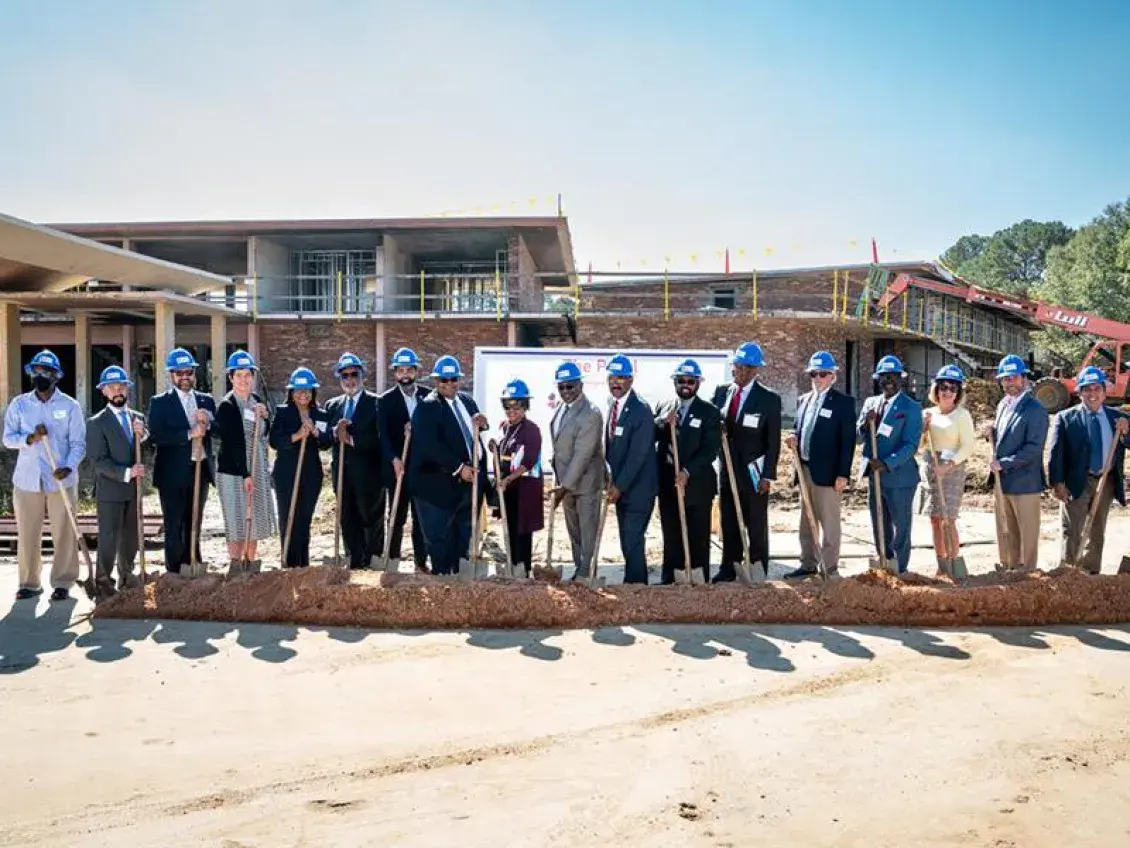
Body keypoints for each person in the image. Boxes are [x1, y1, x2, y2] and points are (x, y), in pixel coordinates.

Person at [2, 349, 86, 601]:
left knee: (64, 531)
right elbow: (7, 439)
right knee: (28, 532)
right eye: (37, 371)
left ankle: (63, 581)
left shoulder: (70, 406)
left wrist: (69, 466)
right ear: (31, 374)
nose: (41, 376)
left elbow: (78, 443)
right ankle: (29, 583)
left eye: (47, 372)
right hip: (27, 480)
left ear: (56, 376)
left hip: (61, 479)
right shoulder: (19, 405)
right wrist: (29, 438)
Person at [408, 354, 490, 576]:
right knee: (439, 538)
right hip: (436, 486)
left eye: (453, 379)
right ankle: (442, 581)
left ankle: (459, 582)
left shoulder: (467, 401)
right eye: (443, 380)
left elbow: (471, 433)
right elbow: (429, 445)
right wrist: (458, 468)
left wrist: (483, 424)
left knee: (463, 534)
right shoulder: (428, 407)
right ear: (436, 381)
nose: (449, 384)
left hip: (466, 486)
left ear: (459, 380)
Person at [1048, 365, 1130, 573]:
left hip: (1106, 481)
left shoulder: (1117, 418)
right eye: (1087, 389)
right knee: (1072, 530)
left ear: (1104, 391)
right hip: (1076, 481)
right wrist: (1057, 483)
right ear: (1079, 392)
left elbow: (1128, 442)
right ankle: (1068, 573)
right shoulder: (1066, 418)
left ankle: (1091, 573)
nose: (1092, 394)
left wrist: (1126, 431)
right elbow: (1055, 453)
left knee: (1096, 530)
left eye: (1096, 389)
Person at [712, 341, 781, 582]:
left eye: (743, 368)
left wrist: (767, 475)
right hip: (727, 469)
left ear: (754, 371)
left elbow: (773, 441)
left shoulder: (769, 399)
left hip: (754, 471)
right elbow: (712, 424)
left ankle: (757, 565)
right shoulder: (722, 392)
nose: (737, 372)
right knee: (729, 519)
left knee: (756, 522)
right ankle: (729, 566)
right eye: (736, 367)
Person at [784, 351, 855, 579]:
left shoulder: (843, 403)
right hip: (804, 469)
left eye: (823, 374)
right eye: (814, 373)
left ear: (833, 376)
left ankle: (829, 567)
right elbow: (798, 427)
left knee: (829, 522)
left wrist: (843, 473)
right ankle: (807, 564)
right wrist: (793, 437)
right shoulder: (804, 400)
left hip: (828, 473)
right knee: (806, 521)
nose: (818, 378)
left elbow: (848, 442)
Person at [146, 347, 215, 575]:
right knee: (174, 523)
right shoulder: (160, 402)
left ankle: (192, 562)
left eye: (189, 373)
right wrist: (188, 434)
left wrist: (208, 423)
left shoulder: (205, 400)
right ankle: (175, 571)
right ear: (171, 375)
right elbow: (155, 436)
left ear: (195, 373)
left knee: (194, 519)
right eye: (179, 373)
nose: (185, 377)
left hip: (199, 470)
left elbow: (216, 430)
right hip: (172, 474)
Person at [653, 358, 720, 584]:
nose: (686, 385)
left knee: (698, 535)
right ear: (675, 382)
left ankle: (698, 579)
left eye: (691, 381)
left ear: (698, 384)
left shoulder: (709, 412)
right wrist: (662, 423)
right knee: (671, 535)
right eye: (681, 380)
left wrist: (687, 471)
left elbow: (710, 449)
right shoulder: (664, 407)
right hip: (668, 484)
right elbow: (651, 436)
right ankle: (670, 578)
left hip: (697, 485)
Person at [86, 365, 148, 597]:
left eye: (121, 386)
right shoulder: (96, 423)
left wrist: (144, 434)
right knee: (109, 538)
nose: (117, 391)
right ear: (104, 391)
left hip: (134, 491)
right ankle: (103, 583)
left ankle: (127, 576)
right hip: (110, 490)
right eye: (112, 387)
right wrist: (127, 472)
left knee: (131, 536)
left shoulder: (137, 418)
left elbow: (142, 447)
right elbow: (98, 461)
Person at [857, 355, 922, 574]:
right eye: (884, 377)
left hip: (900, 477)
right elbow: (858, 436)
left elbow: (911, 444)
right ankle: (884, 560)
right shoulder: (870, 404)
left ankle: (900, 567)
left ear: (901, 379)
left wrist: (887, 463)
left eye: (893, 377)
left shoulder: (911, 407)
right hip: (875, 476)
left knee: (900, 525)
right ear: (878, 380)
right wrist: (866, 423)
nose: (888, 381)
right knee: (879, 522)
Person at [983, 354, 1048, 571]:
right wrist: (993, 431)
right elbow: (1007, 436)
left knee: (1027, 533)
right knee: (1007, 529)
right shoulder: (1003, 405)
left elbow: (1034, 448)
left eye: (1013, 378)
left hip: (1025, 482)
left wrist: (1005, 463)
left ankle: (1028, 574)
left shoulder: (1035, 409)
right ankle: (1010, 568)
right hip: (1004, 480)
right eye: (1005, 379)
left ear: (1024, 378)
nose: (1009, 383)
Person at [214, 350, 276, 570]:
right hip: (233, 471)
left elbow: (266, 431)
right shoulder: (227, 406)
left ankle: (251, 562)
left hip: (256, 468)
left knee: (254, 518)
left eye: (247, 374)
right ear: (231, 378)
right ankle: (236, 564)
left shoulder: (257, 401)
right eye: (238, 375)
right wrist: (245, 474)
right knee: (236, 518)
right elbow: (234, 443)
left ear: (253, 376)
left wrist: (265, 418)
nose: (243, 379)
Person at [325, 352, 385, 569]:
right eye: (345, 376)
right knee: (347, 519)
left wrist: (350, 439)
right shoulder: (333, 405)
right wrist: (334, 433)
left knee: (371, 519)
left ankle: (374, 561)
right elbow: (323, 439)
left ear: (363, 375)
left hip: (370, 475)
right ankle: (354, 561)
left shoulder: (377, 403)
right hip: (342, 475)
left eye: (354, 374)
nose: (350, 379)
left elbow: (380, 439)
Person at [603, 354, 658, 584]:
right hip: (621, 489)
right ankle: (634, 583)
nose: (616, 382)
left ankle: (636, 586)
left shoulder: (640, 410)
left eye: (621, 378)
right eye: (612, 377)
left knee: (633, 538)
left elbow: (638, 455)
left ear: (631, 380)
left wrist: (619, 486)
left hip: (638, 490)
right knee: (627, 538)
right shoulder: (613, 406)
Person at [269, 367, 332, 567]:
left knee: (304, 520)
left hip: (311, 475)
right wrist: (296, 436)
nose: (303, 394)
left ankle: (303, 565)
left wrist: (315, 432)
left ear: (313, 392)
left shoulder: (320, 415)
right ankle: (288, 562)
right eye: (298, 390)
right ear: (291, 392)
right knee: (289, 519)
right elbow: (274, 440)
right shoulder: (282, 412)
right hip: (286, 474)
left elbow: (326, 442)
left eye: (307, 390)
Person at [548, 361, 605, 580]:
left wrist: (565, 486)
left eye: (570, 386)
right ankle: (578, 568)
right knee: (574, 531)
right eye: (561, 387)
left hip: (585, 483)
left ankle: (586, 574)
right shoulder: (562, 407)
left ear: (580, 385)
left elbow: (583, 454)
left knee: (587, 529)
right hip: (566, 483)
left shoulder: (590, 413)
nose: (565, 391)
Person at [377, 347, 431, 572]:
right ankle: (393, 561)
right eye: (401, 370)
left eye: (409, 369)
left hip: (422, 468)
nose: (405, 374)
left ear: (416, 371)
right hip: (397, 468)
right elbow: (383, 435)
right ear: (395, 373)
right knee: (397, 515)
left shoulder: (428, 396)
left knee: (421, 518)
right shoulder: (385, 400)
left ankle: (420, 562)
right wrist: (394, 459)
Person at [918, 364, 976, 573]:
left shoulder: (962, 415)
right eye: (943, 386)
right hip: (930, 466)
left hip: (953, 468)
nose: (947, 391)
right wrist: (922, 429)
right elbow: (919, 445)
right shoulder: (928, 414)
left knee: (948, 518)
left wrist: (948, 464)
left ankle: (954, 561)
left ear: (958, 392)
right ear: (936, 389)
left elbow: (968, 446)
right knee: (934, 518)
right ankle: (941, 563)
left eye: (952, 387)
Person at [491, 378, 545, 576]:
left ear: (525, 406)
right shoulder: (504, 426)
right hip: (508, 490)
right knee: (510, 529)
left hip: (524, 490)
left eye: (517, 406)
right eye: (508, 406)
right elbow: (502, 450)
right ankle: (512, 567)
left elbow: (527, 462)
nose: (512, 411)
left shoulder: (532, 430)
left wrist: (508, 479)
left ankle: (523, 570)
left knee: (522, 532)